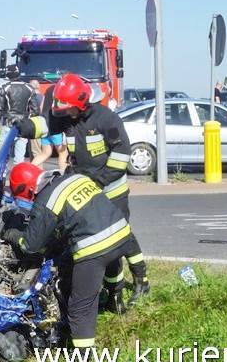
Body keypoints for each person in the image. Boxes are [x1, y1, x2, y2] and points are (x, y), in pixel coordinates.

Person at [15, 74, 150, 306]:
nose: (59, 109)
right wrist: (23, 127)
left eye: (63, 105)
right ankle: (113, 290)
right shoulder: (68, 117)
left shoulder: (106, 119)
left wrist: (99, 181)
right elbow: (47, 122)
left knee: (120, 236)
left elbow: (121, 155)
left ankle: (140, 279)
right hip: (87, 187)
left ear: (79, 104)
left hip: (111, 190)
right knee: (98, 240)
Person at [2, 162, 132, 348]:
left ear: (29, 190)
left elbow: (30, 246)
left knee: (80, 309)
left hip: (95, 249)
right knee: (107, 263)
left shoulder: (45, 202)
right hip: (121, 234)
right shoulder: (72, 177)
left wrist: (11, 234)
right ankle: (116, 302)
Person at [0, 65, 35, 166]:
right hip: (23, 127)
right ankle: (18, 180)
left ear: (8, 75)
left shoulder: (4, 87)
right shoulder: (29, 88)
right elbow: (36, 110)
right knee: (19, 159)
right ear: (18, 73)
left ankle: (1, 178)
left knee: (2, 156)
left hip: (8, 125)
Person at [28, 80, 44, 160]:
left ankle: (36, 169)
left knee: (35, 151)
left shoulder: (30, 98)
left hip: (34, 125)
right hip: (42, 124)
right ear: (39, 86)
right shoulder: (43, 97)